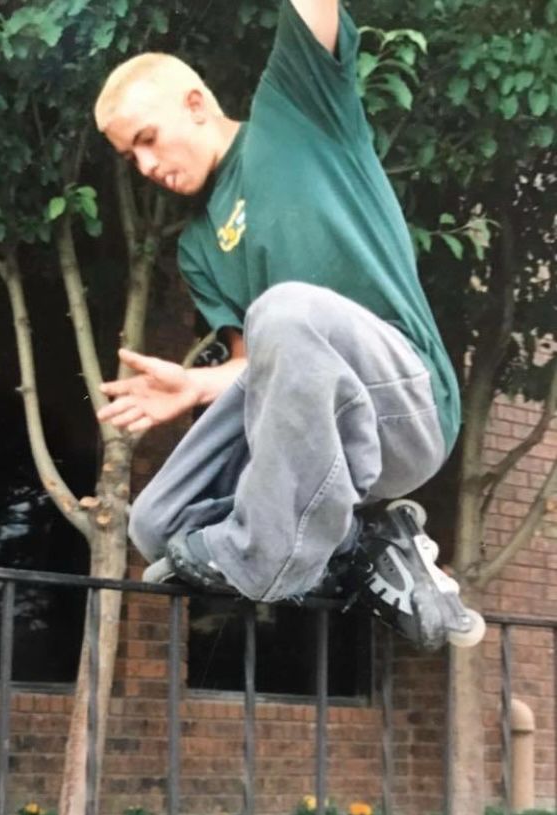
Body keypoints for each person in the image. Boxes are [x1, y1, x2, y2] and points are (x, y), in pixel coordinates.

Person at [92, 0, 484, 651]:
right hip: (317, 426)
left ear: (194, 103)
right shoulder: (198, 246)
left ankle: (268, 561)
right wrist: (197, 385)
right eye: (129, 156)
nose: (145, 166)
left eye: (147, 139)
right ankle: (369, 546)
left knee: (285, 309)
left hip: (406, 409)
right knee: (157, 524)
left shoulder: (297, 107)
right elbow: (263, 369)